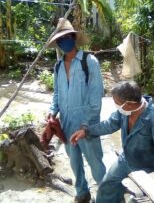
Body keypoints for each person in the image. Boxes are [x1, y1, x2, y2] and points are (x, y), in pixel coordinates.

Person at [70, 81, 154, 203]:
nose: (115, 105)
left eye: (116, 103)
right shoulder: (125, 112)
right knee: (106, 187)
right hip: (126, 160)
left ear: (128, 104)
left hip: (147, 169)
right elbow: (110, 124)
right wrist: (87, 131)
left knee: (137, 199)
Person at [47, 18, 106, 203]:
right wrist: (52, 112)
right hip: (66, 123)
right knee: (74, 162)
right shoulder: (57, 67)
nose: (62, 42)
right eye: (59, 40)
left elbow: (96, 98)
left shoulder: (89, 62)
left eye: (65, 37)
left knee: (95, 162)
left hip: (86, 124)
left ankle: (107, 194)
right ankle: (82, 192)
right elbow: (57, 94)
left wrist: (86, 125)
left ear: (73, 37)